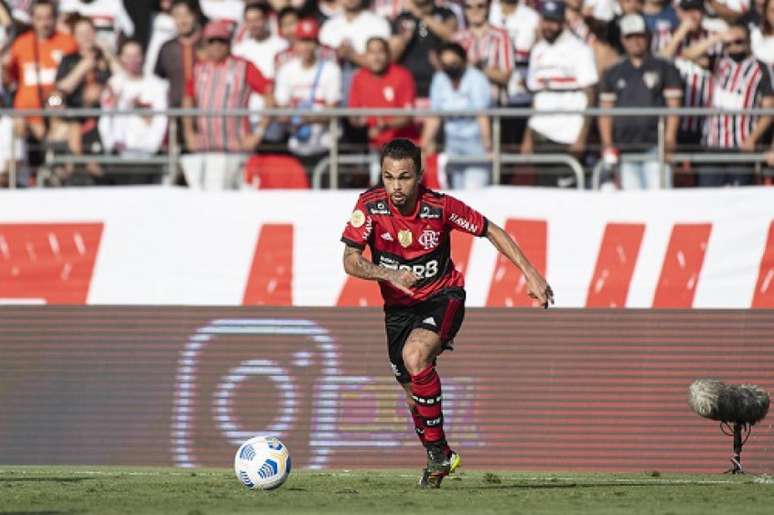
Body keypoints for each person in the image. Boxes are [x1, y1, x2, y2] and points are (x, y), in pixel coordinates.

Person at [340, 138, 553, 488]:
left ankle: (438, 454)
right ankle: (438, 455)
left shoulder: (439, 207)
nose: (396, 186)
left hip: (443, 296)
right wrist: (390, 274)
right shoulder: (370, 205)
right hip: (398, 309)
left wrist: (530, 272)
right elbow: (350, 261)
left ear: (419, 176)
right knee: (412, 394)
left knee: (415, 354)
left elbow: (490, 230)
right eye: (389, 177)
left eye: (404, 177)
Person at [181, 19, 272, 189]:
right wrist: (189, 133)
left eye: (221, 41)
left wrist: (258, 133)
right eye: (212, 41)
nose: (216, 46)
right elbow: (188, 99)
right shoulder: (198, 69)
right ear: (205, 44)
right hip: (206, 148)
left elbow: (269, 96)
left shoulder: (243, 67)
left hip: (236, 148)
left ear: (229, 43)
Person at [682, 20, 773, 186]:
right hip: (712, 143)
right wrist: (717, 38)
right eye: (728, 43)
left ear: (748, 42)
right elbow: (688, 54)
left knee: (739, 199)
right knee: (709, 197)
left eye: (737, 42)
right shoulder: (719, 62)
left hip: (741, 144)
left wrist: (752, 139)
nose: (733, 47)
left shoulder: (762, 69)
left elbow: (769, 110)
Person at [598, 13, 683, 189]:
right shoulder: (613, 72)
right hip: (624, 149)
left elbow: (674, 107)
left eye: (640, 36)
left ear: (648, 37)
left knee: (659, 200)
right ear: (622, 39)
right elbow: (605, 111)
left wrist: (669, 139)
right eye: (630, 36)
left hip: (655, 148)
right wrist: (607, 144)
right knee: (632, 204)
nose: (635, 41)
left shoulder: (665, 67)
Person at [521, 0, 598, 188]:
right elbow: (537, 97)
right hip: (541, 133)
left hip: (568, 136)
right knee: (544, 191)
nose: (549, 26)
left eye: (554, 21)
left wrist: (582, 136)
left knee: (567, 196)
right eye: (545, 20)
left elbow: (591, 94)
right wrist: (527, 137)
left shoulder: (579, 49)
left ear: (563, 21)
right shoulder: (538, 50)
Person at [421, 42, 492, 189]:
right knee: (457, 194)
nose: (450, 68)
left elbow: (482, 115)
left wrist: (488, 147)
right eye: (446, 64)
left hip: (475, 143)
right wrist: (423, 145)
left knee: (475, 192)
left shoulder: (476, 79)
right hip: (452, 143)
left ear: (464, 60)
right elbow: (434, 115)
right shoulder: (440, 79)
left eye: (454, 63)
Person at [348, 36, 418, 149]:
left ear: (388, 54)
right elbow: (353, 113)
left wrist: (386, 125)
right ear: (365, 55)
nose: (376, 57)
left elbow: (408, 116)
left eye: (380, 52)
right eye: (371, 52)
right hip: (370, 146)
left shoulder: (403, 75)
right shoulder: (359, 77)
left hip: (402, 146)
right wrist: (358, 123)